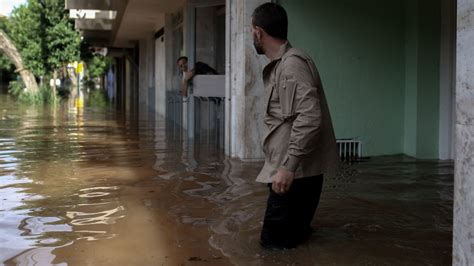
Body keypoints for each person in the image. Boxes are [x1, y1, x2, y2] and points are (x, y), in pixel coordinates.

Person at [251, 3, 339, 249]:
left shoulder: (291, 65)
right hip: (297, 172)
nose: (252, 36)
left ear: (258, 32)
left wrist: (288, 167)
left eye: (251, 31)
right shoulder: (285, 64)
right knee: (293, 244)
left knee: (272, 249)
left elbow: (309, 116)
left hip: (292, 175)